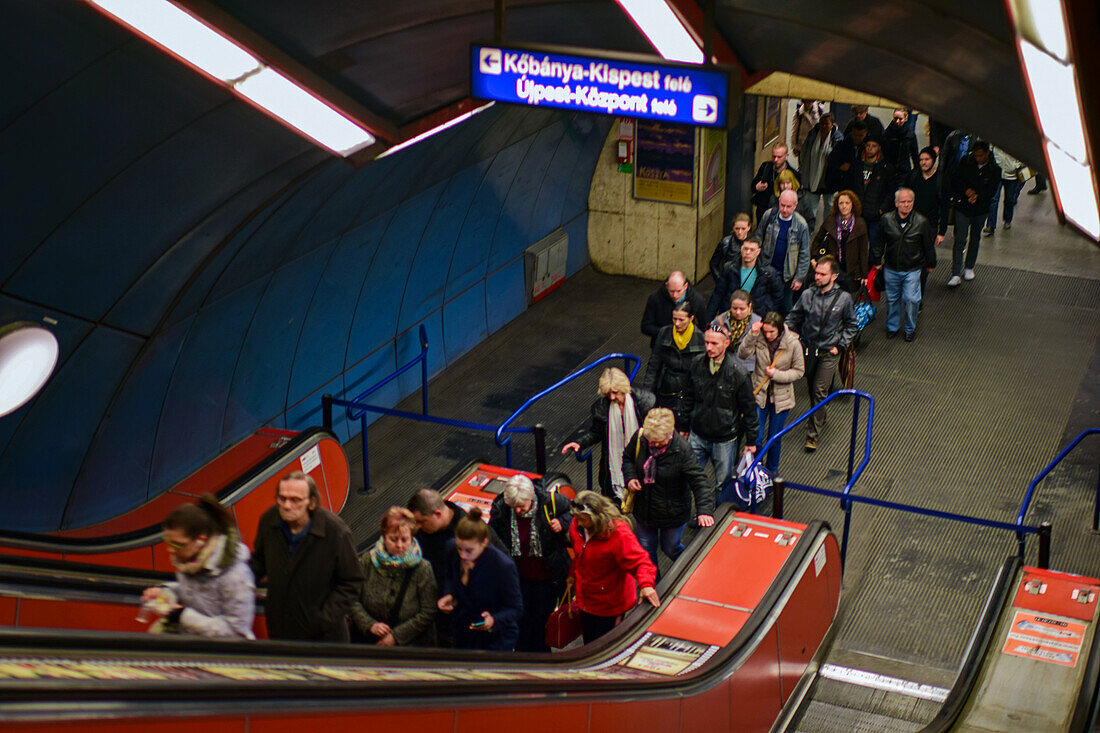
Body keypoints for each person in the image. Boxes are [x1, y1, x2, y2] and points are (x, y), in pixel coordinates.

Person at [250, 471, 362, 642]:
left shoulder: (335, 532)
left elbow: (352, 581)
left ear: (312, 502)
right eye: (282, 498)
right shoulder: (269, 521)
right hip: (281, 632)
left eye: (295, 500)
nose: (286, 505)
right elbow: (259, 563)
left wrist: (324, 619)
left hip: (325, 639)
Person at [140, 494, 255, 638]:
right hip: (192, 646)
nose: (170, 549)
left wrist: (182, 616)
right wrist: (166, 593)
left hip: (222, 655)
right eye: (167, 541)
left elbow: (237, 631)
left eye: (178, 544)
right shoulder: (189, 561)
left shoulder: (235, 574)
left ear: (201, 540)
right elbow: (192, 593)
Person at [407, 488, 503, 646]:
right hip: (430, 621)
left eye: (421, 521)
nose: (417, 526)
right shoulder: (422, 531)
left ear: (438, 514)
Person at [488, 474, 572, 653]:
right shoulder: (502, 509)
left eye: (521, 506)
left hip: (547, 577)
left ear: (531, 498)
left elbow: (573, 511)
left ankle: (541, 655)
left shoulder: (550, 502)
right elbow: (492, 536)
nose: (518, 511)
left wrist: (563, 522)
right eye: (514, 507)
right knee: (521, 620)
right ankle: (523, 655)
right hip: (518, 577)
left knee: (541, 621)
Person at [623, 407, 713, 570]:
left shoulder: (682, 450)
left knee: (670, 547)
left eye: (658, 442)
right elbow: (628, 458)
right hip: (645, 510)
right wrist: (631, 478)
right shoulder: (641, 437)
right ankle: (653, 587)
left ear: (671, 434)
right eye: (652, 441)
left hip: (672, 513)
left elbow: (699, 480)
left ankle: (693, 570)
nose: (654, 444)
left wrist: (704, 510)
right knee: (646, 552)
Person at [787, 256, 859, 452]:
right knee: (812, 389)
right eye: (816, 272)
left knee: (820, 390)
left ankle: (812, 435)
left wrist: (841, 345)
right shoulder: (807, 295)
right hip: (808, 350)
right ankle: (820, 416)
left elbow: (852, 325)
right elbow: (794, 317)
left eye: (822, 274)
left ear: (834, 276)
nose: (816, 277)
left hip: (829, 351)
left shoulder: (844, 299)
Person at [683, 323, 759, 506]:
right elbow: (687, 397)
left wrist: (751, 441)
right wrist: (684, 427)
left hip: (724, 439)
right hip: (697, 434)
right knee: (688, 480)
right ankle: (699, 513)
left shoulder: (738, 373)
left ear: (726, 343)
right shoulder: (696, 365)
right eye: (707, 342)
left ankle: (718, 517)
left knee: (723, 484)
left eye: (714, 343)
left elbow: (749, 409)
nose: (709, 347)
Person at [568, 491, 659, 643]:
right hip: (585, 600)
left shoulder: (619, 534)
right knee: (589, 643)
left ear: (597, 518)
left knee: (604, 645)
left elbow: (641, 562)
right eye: (577, 518)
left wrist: (646, 585)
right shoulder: (576, 527)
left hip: (610, 605)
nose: (579, 523)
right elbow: (580, 556)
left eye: (583, 519)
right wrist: (572, 575)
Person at [561, 367, 654, 500]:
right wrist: (579, 443)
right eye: (608, 394)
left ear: (624, 388)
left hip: (641, 459)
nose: (612, 397)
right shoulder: (602, 407)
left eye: (615, 393)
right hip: (613, 462)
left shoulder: (644, 402)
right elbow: (596, 432)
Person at [437, 508, 523, 651]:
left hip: (495, 641)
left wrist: (494, 620)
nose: (463, 555)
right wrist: (449, 594)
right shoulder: (452, 549)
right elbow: (450, 577)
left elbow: (515, 608)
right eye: (460, 548)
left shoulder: (502, 566)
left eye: (469, 550)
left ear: (484, 542)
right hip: (464, 633)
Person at [350, 506, 437, 647]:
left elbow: (428, 612)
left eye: (404, 540)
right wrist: (369, 624)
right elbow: (351, 598)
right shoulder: (367, 561)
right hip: (368, 641)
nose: (399, 545)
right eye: (393, 539)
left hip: (411, 647)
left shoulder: (422, 568)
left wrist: (395, 637)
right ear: (384, 537)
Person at [739, 312, 805, 477]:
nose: (768, 336)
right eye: (765, 331)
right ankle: (756, 469)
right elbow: (743, 354)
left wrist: (777, 374)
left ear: (780, 330)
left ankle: (772, 471)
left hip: (781, 398)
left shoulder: (792, 343)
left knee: (774, 438)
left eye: (772, 332)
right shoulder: (759, 338)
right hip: (760, 395)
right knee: (756, 437)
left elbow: (799, 371)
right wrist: (751, 335)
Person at [872, 188, 936, 342]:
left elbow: (928, 245)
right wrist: (876, 261)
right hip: (891, 267)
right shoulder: (886, 220)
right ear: (896, 203)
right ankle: (892, 327)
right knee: (892, 299)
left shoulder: (922, 222)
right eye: (903, 202)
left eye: (909, 202)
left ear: (913, 203)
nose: (906, 205)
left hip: (913, 269)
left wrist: (931, 263)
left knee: (911, 300)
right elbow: (879, 242)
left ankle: (910, 328)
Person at [643, 300, 706, 432]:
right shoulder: (664, 333)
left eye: (681, 320)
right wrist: (647, 395)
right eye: (674, 319)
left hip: (688, 394)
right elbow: (653, 365)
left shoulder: (701, 339)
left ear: (691, 319)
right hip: (666, 390)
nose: (677, 323)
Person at [948, 140, 1001, 286]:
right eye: (976, 155)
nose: (978, 158)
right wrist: (966, 191)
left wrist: (978, 195)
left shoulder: (994, 170)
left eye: (980, 155)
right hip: (963, 207)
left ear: (987, 154)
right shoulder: (966, 162)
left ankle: (969, 266)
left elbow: (992, 190)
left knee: (975, 238)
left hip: (980, 209)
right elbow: (957, 179)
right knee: (960, 239)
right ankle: (956, 272)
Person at [755, 189, 812, 315]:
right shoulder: (769, 216)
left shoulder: (801, 225)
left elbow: (804, 253)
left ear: (795, 206)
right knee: (764, 304)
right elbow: (758, 238)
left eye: (788, 206)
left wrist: (799, 277)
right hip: (767, 269)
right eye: (782, 205)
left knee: (786, 307)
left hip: (787, 275)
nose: (785, 210)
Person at [906, 147, 948, 306]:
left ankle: (918, 297)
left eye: (927, 159)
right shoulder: (914, 176)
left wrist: (941, 231)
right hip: (911, 224)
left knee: (922, 263)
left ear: (933, 160)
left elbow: (944, 206)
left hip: (929, 227)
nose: (923, 162)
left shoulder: (940, 178)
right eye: (921, 159)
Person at [707, 237, 784, 321]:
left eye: (752, 250)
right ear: (741, 249)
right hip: (733, 314)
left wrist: (767, 312)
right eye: (745, 249)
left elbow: (778, 296)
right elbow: (718, 294)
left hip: (756, 316)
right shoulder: (729, 268)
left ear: (758, 252)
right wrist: (708, 319)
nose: (748, 252)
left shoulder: (767, 272)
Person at [810, 190, 870, 293]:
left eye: (847, 203)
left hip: (852, 270)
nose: (844, 206)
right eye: (841, 203)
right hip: (833, 267)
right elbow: (817, 240)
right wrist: (813, 258)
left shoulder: (860, 223)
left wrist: (864, 275)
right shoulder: (830, 220)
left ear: (853, 205)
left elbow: (864, 251)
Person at [640, 270, 708, 347]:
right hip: (662, 347)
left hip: (688, 347)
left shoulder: (697, 300)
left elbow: (703, 326)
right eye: (671, 291)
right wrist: (667, 333)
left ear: (685, 286)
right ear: (667, 286)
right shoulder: (655, 299)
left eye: (679, 291)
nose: (675, 295)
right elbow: (645, 326)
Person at [798, 112, 843, 231]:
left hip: (829, 181)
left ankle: (827, 233)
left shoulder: (837, 138)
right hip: (812, 179)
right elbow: (804, 152)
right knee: (810, 209)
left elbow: (838, 159)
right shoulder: (813, 135)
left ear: (832, 125)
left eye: (827, 124)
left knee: (830, 209)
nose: (824, 126)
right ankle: (808, 233)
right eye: (822, 123)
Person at [851, 135, 897, 246]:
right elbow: (850, 187)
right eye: (868, 146)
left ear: (879, 148)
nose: (870, 148)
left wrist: (881, 210)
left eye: (874, 146)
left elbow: (890, 192)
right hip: (857, 213)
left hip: (875, 214)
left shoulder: (885, 168)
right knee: (855, 245)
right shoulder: (856, 165)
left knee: (875, 246)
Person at [709, 289, 761, 375]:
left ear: (750, 306)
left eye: (742, 309)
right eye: (734, 308)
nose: (738, 312)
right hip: (724, 367)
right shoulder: (721, 320)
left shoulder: (757, 323)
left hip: (748, 369)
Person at [751, 143, 800, 225]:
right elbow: (753, 185)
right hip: (764, 212)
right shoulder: (766, 167)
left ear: (786, 155)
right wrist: (757, 187)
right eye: (774, 156)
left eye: (779, 157)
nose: (776, 160)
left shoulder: (793, 174)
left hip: (782, 215)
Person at [986, 146, 1026, 234]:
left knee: (1009, 199)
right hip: (997, 174)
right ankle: (990, 225)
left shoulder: (1015, 142)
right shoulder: (997, 140)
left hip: (1011, 176)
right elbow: (991, 148)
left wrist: (1016, 165)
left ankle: (1007, 220)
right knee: (994, 198)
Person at [769, 169, 818, 233]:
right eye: (782, 183)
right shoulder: (774, 199)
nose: (785, 186)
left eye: (788, 183)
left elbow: (811, 221)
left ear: (793, 183)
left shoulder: (803, 199)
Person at [709, 213, 752, 283]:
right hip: (729, 281)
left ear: (749, 227)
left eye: (743, 229)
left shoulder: (755, 244)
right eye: (737, 229)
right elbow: (713, 264)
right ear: (733, 228)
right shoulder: (726, 243)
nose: (740, 232)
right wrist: (720, 281)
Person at [883, 109, 919, 180]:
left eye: (900, 119)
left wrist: (917, 171)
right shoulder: (887, 133)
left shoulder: (910, 135)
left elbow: (914, 154)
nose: (897, 121)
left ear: (905, 119)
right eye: (895, 118)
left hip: (904, 171)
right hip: (889, 171)